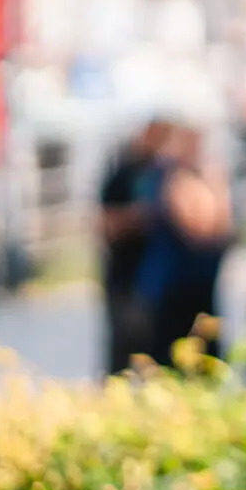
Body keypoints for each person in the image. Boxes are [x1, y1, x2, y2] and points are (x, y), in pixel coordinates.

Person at [134, 123, 234, 363]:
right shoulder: (170, 177)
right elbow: (198, 229)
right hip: (175, 290)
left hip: (201, 287)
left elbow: (223, 227)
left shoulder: (199, 175)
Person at [96, 116, 172, 373]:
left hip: (158, 281)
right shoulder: (125, 171)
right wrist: (139, 217)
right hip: (126, 278)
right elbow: (104, 223)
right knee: (123, 351)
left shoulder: (168, 171)